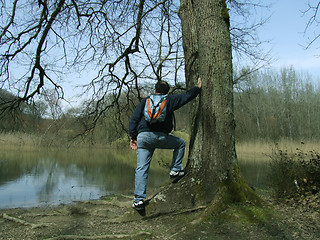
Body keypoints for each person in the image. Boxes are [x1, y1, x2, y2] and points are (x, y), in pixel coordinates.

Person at [129, 77, 202, 210]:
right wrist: (197, 88)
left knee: (141, 169)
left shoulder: (146, 101)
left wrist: (133, 136)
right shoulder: (170, 100)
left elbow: (134, 119)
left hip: (143, 137)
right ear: (167, 92)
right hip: (160, 137)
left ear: (155, 90)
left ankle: (138, 201)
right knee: (180, 144)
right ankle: (175, 170)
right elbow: (187, 96)